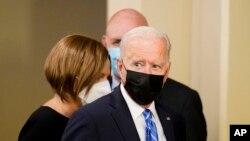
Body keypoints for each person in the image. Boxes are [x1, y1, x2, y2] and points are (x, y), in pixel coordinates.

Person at [62, 26, 186, 141]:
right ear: (121, 67)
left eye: (156, 66)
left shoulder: (174, 119)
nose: (147, 73)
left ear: (167, 71)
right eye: (138, 64)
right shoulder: (90, 118)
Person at [102, 8, 207, 141]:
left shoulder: (183, 100)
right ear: (105, 43)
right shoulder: (88, 97)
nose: (124, 48)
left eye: (135, 40)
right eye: (117, 42)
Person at [18, 34, 111, 141]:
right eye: (99, 77)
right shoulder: (43, 124)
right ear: (75, 81)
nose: (106, 84)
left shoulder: (85, 118)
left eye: (107, 77)